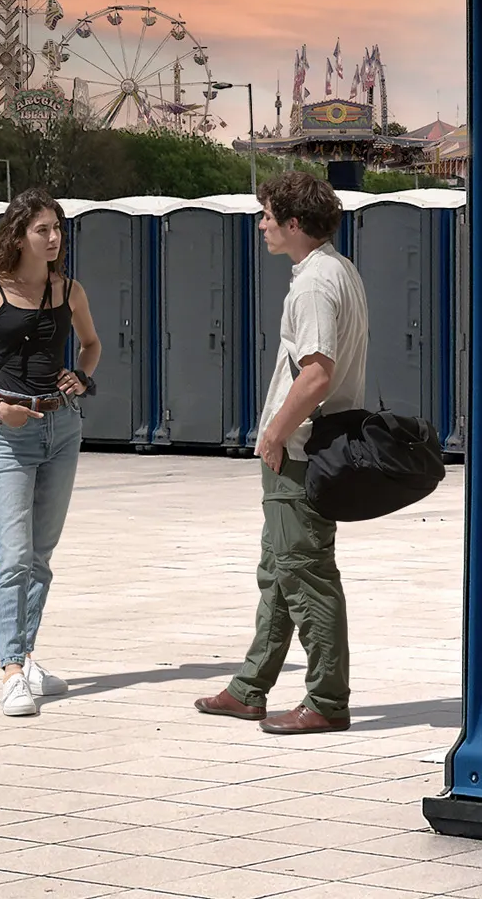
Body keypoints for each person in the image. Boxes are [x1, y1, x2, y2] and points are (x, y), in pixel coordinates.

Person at [195, 171, 368, 734]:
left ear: (294, 223)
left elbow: (317, 374)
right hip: (306, 446)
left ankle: (326, 701)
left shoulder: (315, 282)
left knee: (306, 571)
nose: (262, 223)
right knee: (278, 570)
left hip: (298, 450)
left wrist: (273, 433)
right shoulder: (336, 270)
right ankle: (250, 688)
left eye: (268, 214)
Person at [0, 187, 101, 718]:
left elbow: (91, 344)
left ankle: (28, 657)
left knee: (41, 555)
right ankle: (12, 671)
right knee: (14, 556)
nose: (55, 237)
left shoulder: (69, 290)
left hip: (62, 427)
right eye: (44, 229)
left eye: (58, 228)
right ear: (19, 235)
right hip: (10, 432)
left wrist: (81, 377)